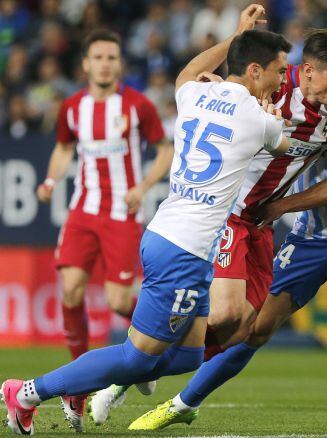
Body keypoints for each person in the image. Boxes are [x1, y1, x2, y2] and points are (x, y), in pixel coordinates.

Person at [127, 25, 327, 430]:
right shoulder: (289, 89)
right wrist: (222, 87)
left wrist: (281, 205)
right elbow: (245, 86)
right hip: (311, 236)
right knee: (252, 329)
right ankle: (181, 402)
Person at [2, 5, 292, 435]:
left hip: (169, 234)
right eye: (279, 71)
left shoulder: (193, 94)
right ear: (254, 70)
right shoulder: (257, 119)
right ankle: (26, 391)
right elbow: (284, 145)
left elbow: (190, 70)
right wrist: (275, 116)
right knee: (137, 358)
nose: (282, 80)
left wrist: (236, 36)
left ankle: (80, 381)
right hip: (184, 249)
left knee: (190, 356)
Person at [33, 28, 173, 420]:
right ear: (85, 64)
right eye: (98, 57)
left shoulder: (136, 106)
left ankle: (151, 343)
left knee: (116, 301)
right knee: (71, 292)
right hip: (83, 210)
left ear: (119, 63)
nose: (105, 63)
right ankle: (79, 382)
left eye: (112, 57)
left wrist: (144, 186)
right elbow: (63, 148)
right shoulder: (72, 107)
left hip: (121, 213)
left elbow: (164, 150)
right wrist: (49, 180)